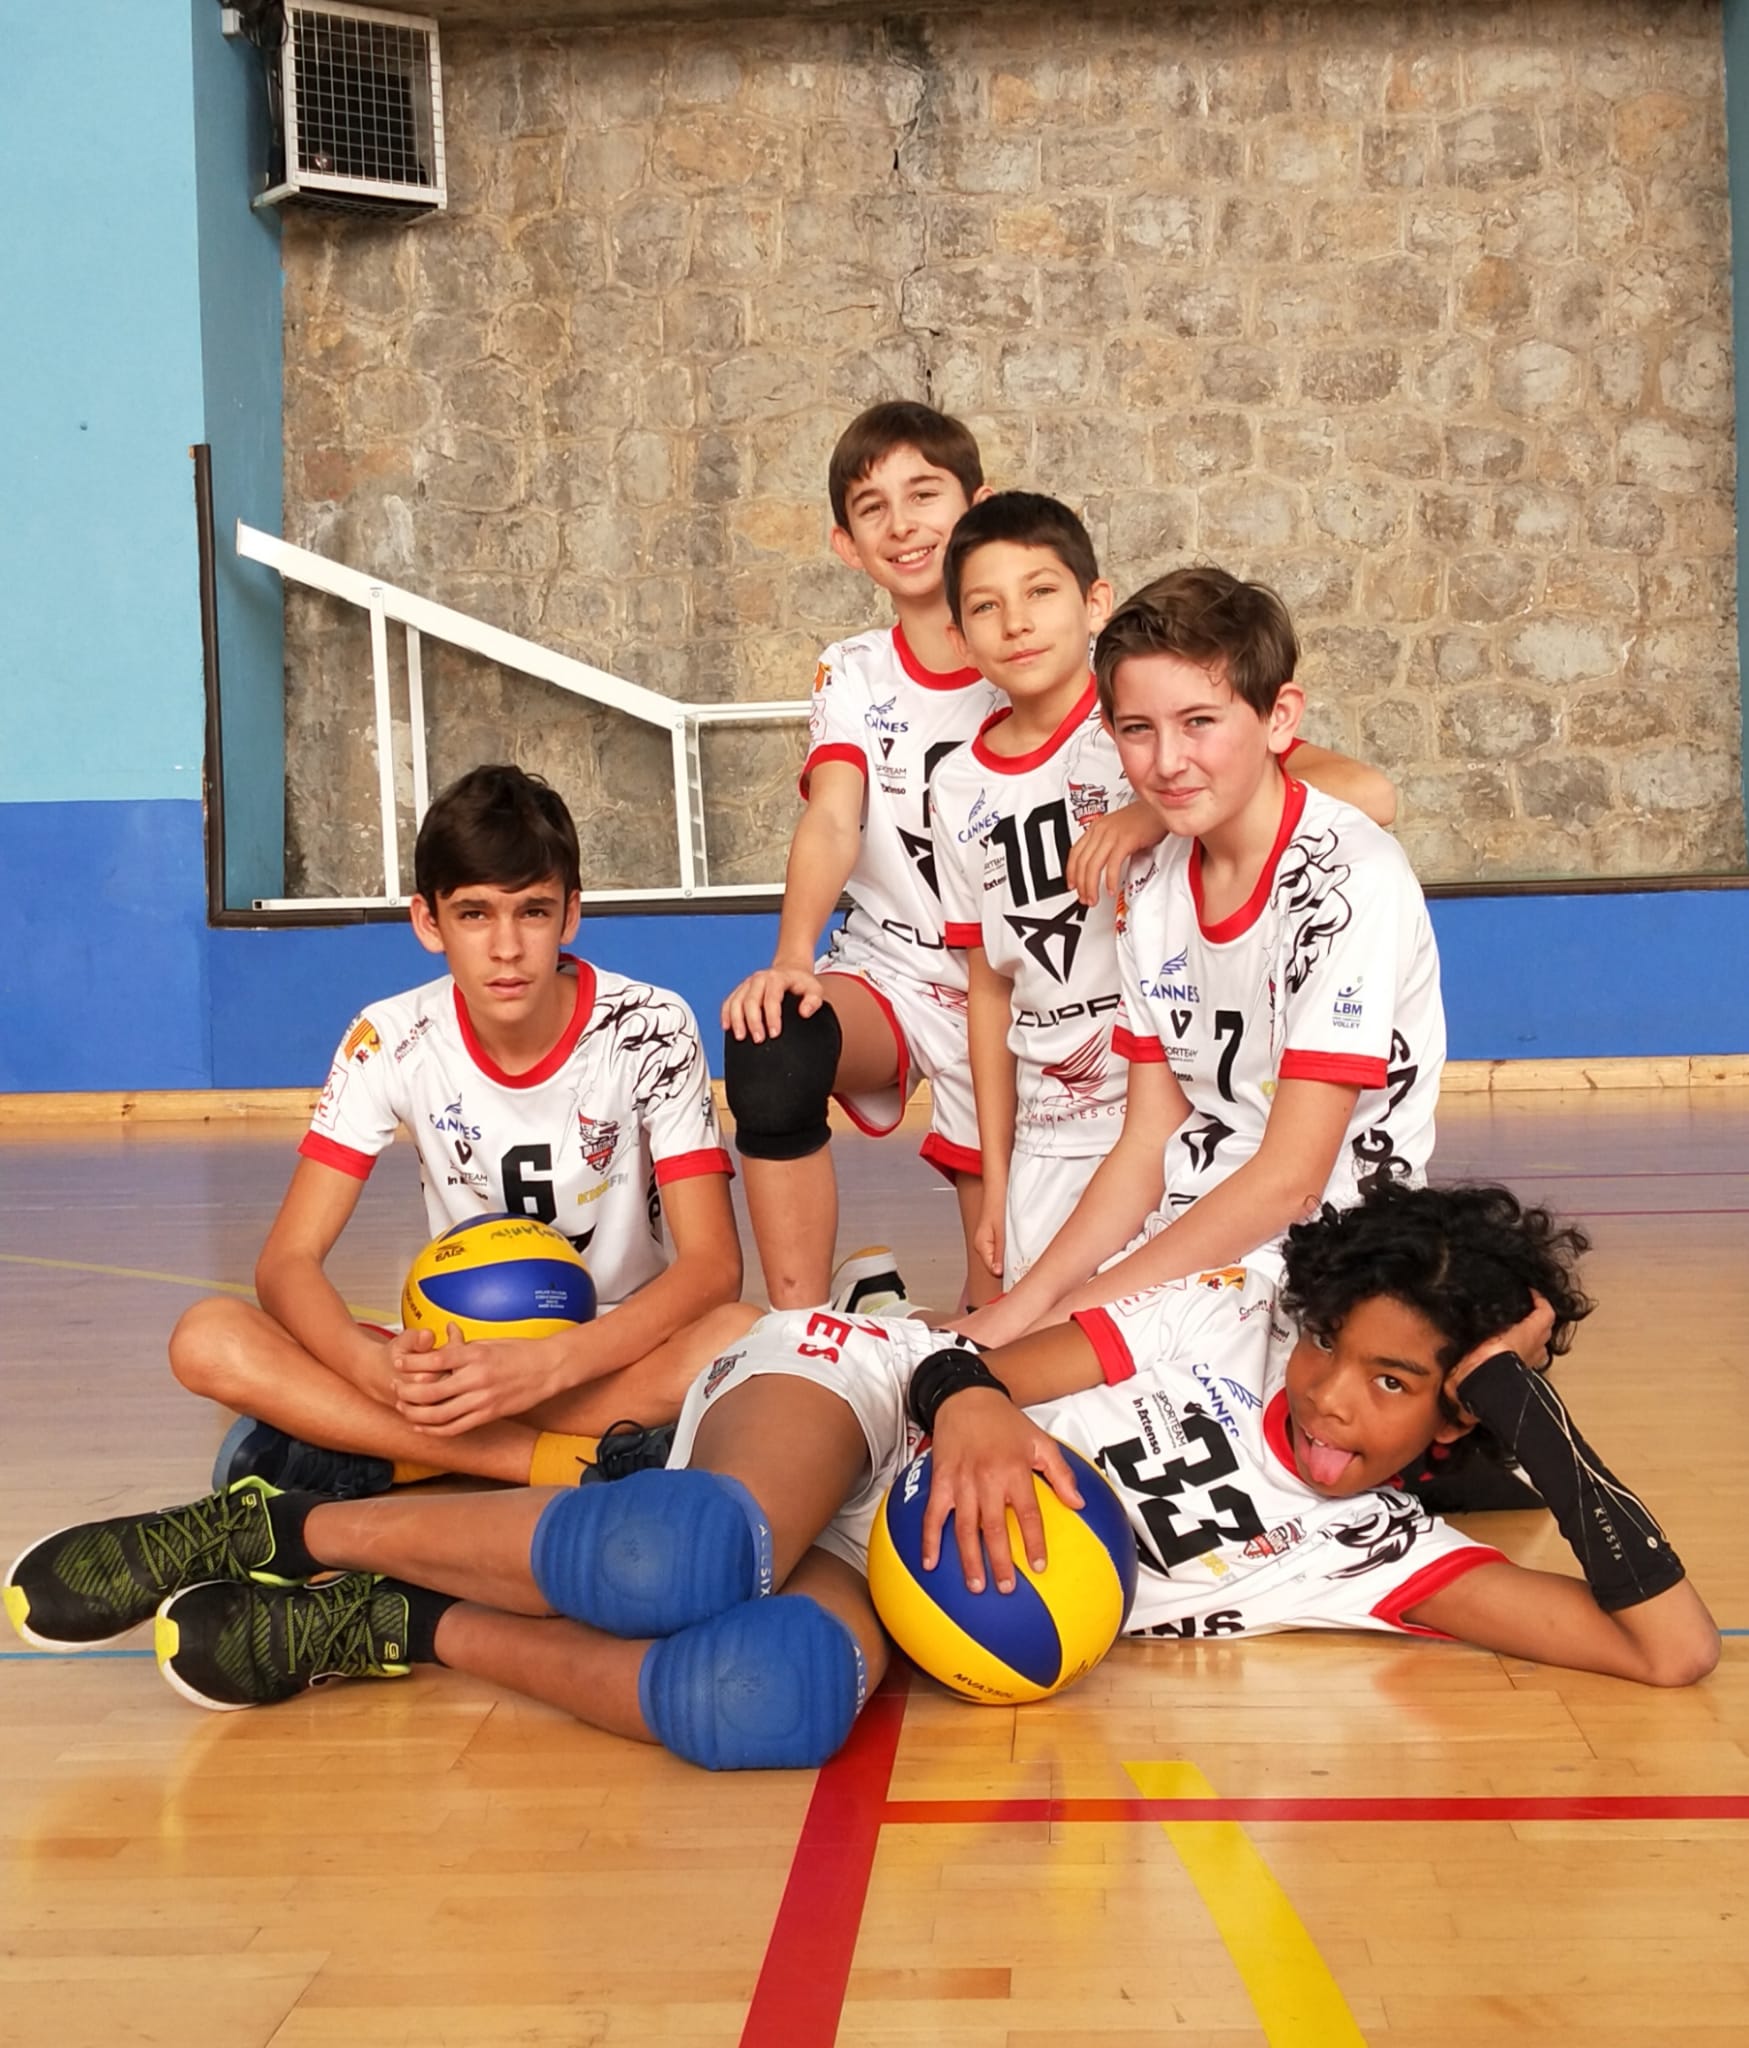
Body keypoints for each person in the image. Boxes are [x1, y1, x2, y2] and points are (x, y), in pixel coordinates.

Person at [7, 1182, 1715, 1777]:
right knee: (689, 1551)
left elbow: (1666, 1652)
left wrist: (1532, 1415)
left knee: (757, 1700)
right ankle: (281, 1522)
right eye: (1338, 1343)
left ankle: (395, 1622)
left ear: (1452, 1420)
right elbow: (971, 1368)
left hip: (898, 1571)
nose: (1332, 1393)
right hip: (865, 1395)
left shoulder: (1375, 1553)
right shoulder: (1223, 1322)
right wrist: (969, 1403)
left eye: (1399, 1385)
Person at [167, 764, 747, 1497]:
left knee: (738, 1333)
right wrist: (374, 1370)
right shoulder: (389, 1036)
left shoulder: (651, 1025)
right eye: (474, 914)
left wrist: (549, 1365)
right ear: (427, 922)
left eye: (532, 912)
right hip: (457, 1352)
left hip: (611, 1350)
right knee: (207, 1337)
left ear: (570, 915)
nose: (506, 947)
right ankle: (564, 1460)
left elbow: (712, 1267)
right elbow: (287, 1261)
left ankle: (389, 1449)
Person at [959, 566, 1444, 1350]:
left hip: (1328, 1257)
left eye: (1198, 723)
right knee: (970, 1360)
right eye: (1136, 730)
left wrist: (1072, 1318)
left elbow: (1290, 1183)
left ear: (1279, 718)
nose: (1166, 762)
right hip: (1192, 1237)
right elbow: (1147, 1140)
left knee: (1013, 1383)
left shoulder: (1348, 881)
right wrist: (1023, 1308)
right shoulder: (1151, 883)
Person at [719, 399, 1003, 1314]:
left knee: (1001, 1302)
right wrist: (792, 959)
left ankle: (898, 1310)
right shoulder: (852, 670)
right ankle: (801, 1328)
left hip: (1021, 993)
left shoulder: (1044, 653)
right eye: (872, 507)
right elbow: (833, 818)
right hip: (897, 974)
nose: (902, 523)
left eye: (924, 493)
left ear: (979, 505)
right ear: (846, 544)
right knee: (774, 1037)